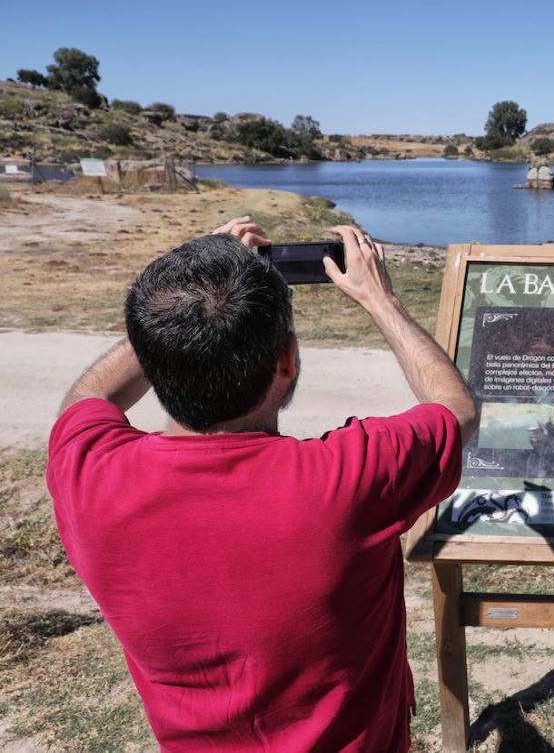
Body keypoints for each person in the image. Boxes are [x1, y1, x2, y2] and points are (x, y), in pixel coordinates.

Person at [45, 217, 478, 752]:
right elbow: (456, 410)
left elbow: (86, 404)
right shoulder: (351, 480)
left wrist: (175, 315)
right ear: (288, 361)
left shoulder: (88, 473)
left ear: (154, 366)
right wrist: (380, 300)